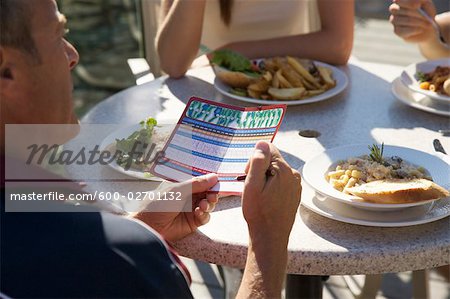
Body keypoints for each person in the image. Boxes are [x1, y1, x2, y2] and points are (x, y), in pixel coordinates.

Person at [0, 0, 302, 297]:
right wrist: (267, 242)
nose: (73, 55)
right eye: (57, 35)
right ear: (5, 70)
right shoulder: (113, 260)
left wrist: (140, 229)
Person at [156, 0, 354, 78]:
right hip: (210, 102)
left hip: (292, 92)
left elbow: (339, 45)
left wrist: (231, 54)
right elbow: (173, 64)